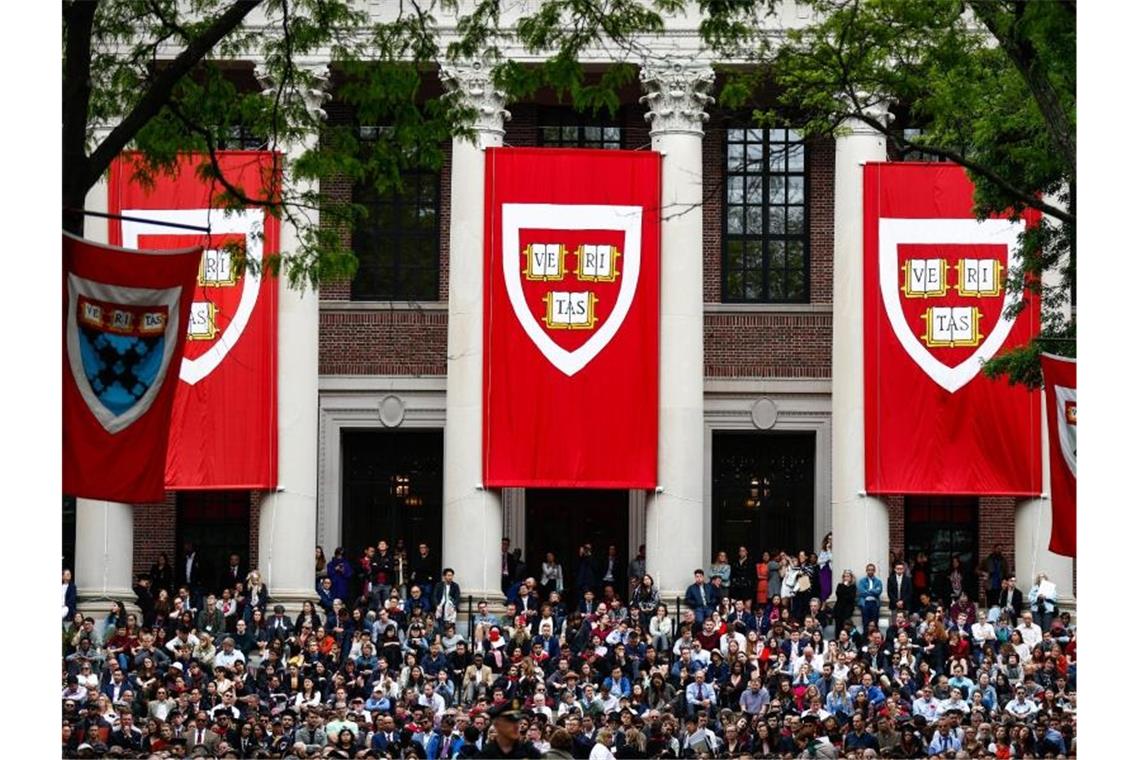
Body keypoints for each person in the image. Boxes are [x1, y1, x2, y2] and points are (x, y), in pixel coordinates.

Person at [857, 564, 882, 635]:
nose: (870, 571)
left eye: (872, 570)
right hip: (865, 603)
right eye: (869, 570)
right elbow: (861, 592)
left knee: (875, 622)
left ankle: (876, 636)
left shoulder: (878, 581)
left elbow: (878, 592)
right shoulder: (862, 581)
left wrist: (868, 591)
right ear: (866, 571)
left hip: (874, 603)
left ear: (874, 571)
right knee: (865, 622)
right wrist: (873, 591)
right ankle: (865, 638)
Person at [818, 534, 833, 600]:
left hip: (832, 570)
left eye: (831, 539)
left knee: (830, 589)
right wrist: (827, 560)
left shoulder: (835, 550)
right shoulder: (824, 551)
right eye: (829, 539)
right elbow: (819, 561)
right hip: (824, 571)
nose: (830, 541)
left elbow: (832, 558)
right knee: (825, 589)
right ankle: (823, 604)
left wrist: (829, 550)